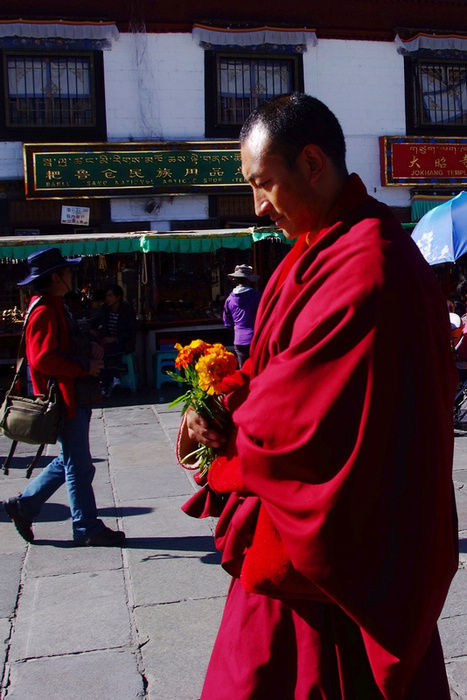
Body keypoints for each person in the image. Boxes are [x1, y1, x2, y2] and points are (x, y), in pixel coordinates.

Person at [178, 94, 459, 699]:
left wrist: (231, 431)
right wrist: (223, 402)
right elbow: (275, 374)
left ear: (312, 163)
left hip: (337, 561)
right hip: (294, 546)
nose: (258, 207)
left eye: (264, 185)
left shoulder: (369, 265)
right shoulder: (316, 249)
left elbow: (306, 421)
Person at [3, 248, 125, 547]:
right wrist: (83, 366)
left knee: (72, 461)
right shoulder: (45, 310)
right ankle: (86, 527)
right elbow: (43, 358)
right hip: (64, 398)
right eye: (67, 272)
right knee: (78, 465)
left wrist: (91, 345)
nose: (72, 275)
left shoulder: (55, 305)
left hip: (71, 395)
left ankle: (25, 505)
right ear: (55, 278)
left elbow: (67, 343)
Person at [89, 284, 137, 394]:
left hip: (123, 342)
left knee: (109, 350)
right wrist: (92, 329)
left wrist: (115, 338)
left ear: (118, 297)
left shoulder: (127, 310)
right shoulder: (105, 310)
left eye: (110, 296)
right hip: (107, 341)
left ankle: (110, 381)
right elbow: (96, 321)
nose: (108, 299)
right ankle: (112, 380)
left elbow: (131, 330)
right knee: (99, 351)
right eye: (107, 296)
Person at [223, 264, 261, 367]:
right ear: (249, 280)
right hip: (255, 338)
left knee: (243, 369)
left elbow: (227, 322)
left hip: (239, 340)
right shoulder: (257, 296)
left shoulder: (229, 299)